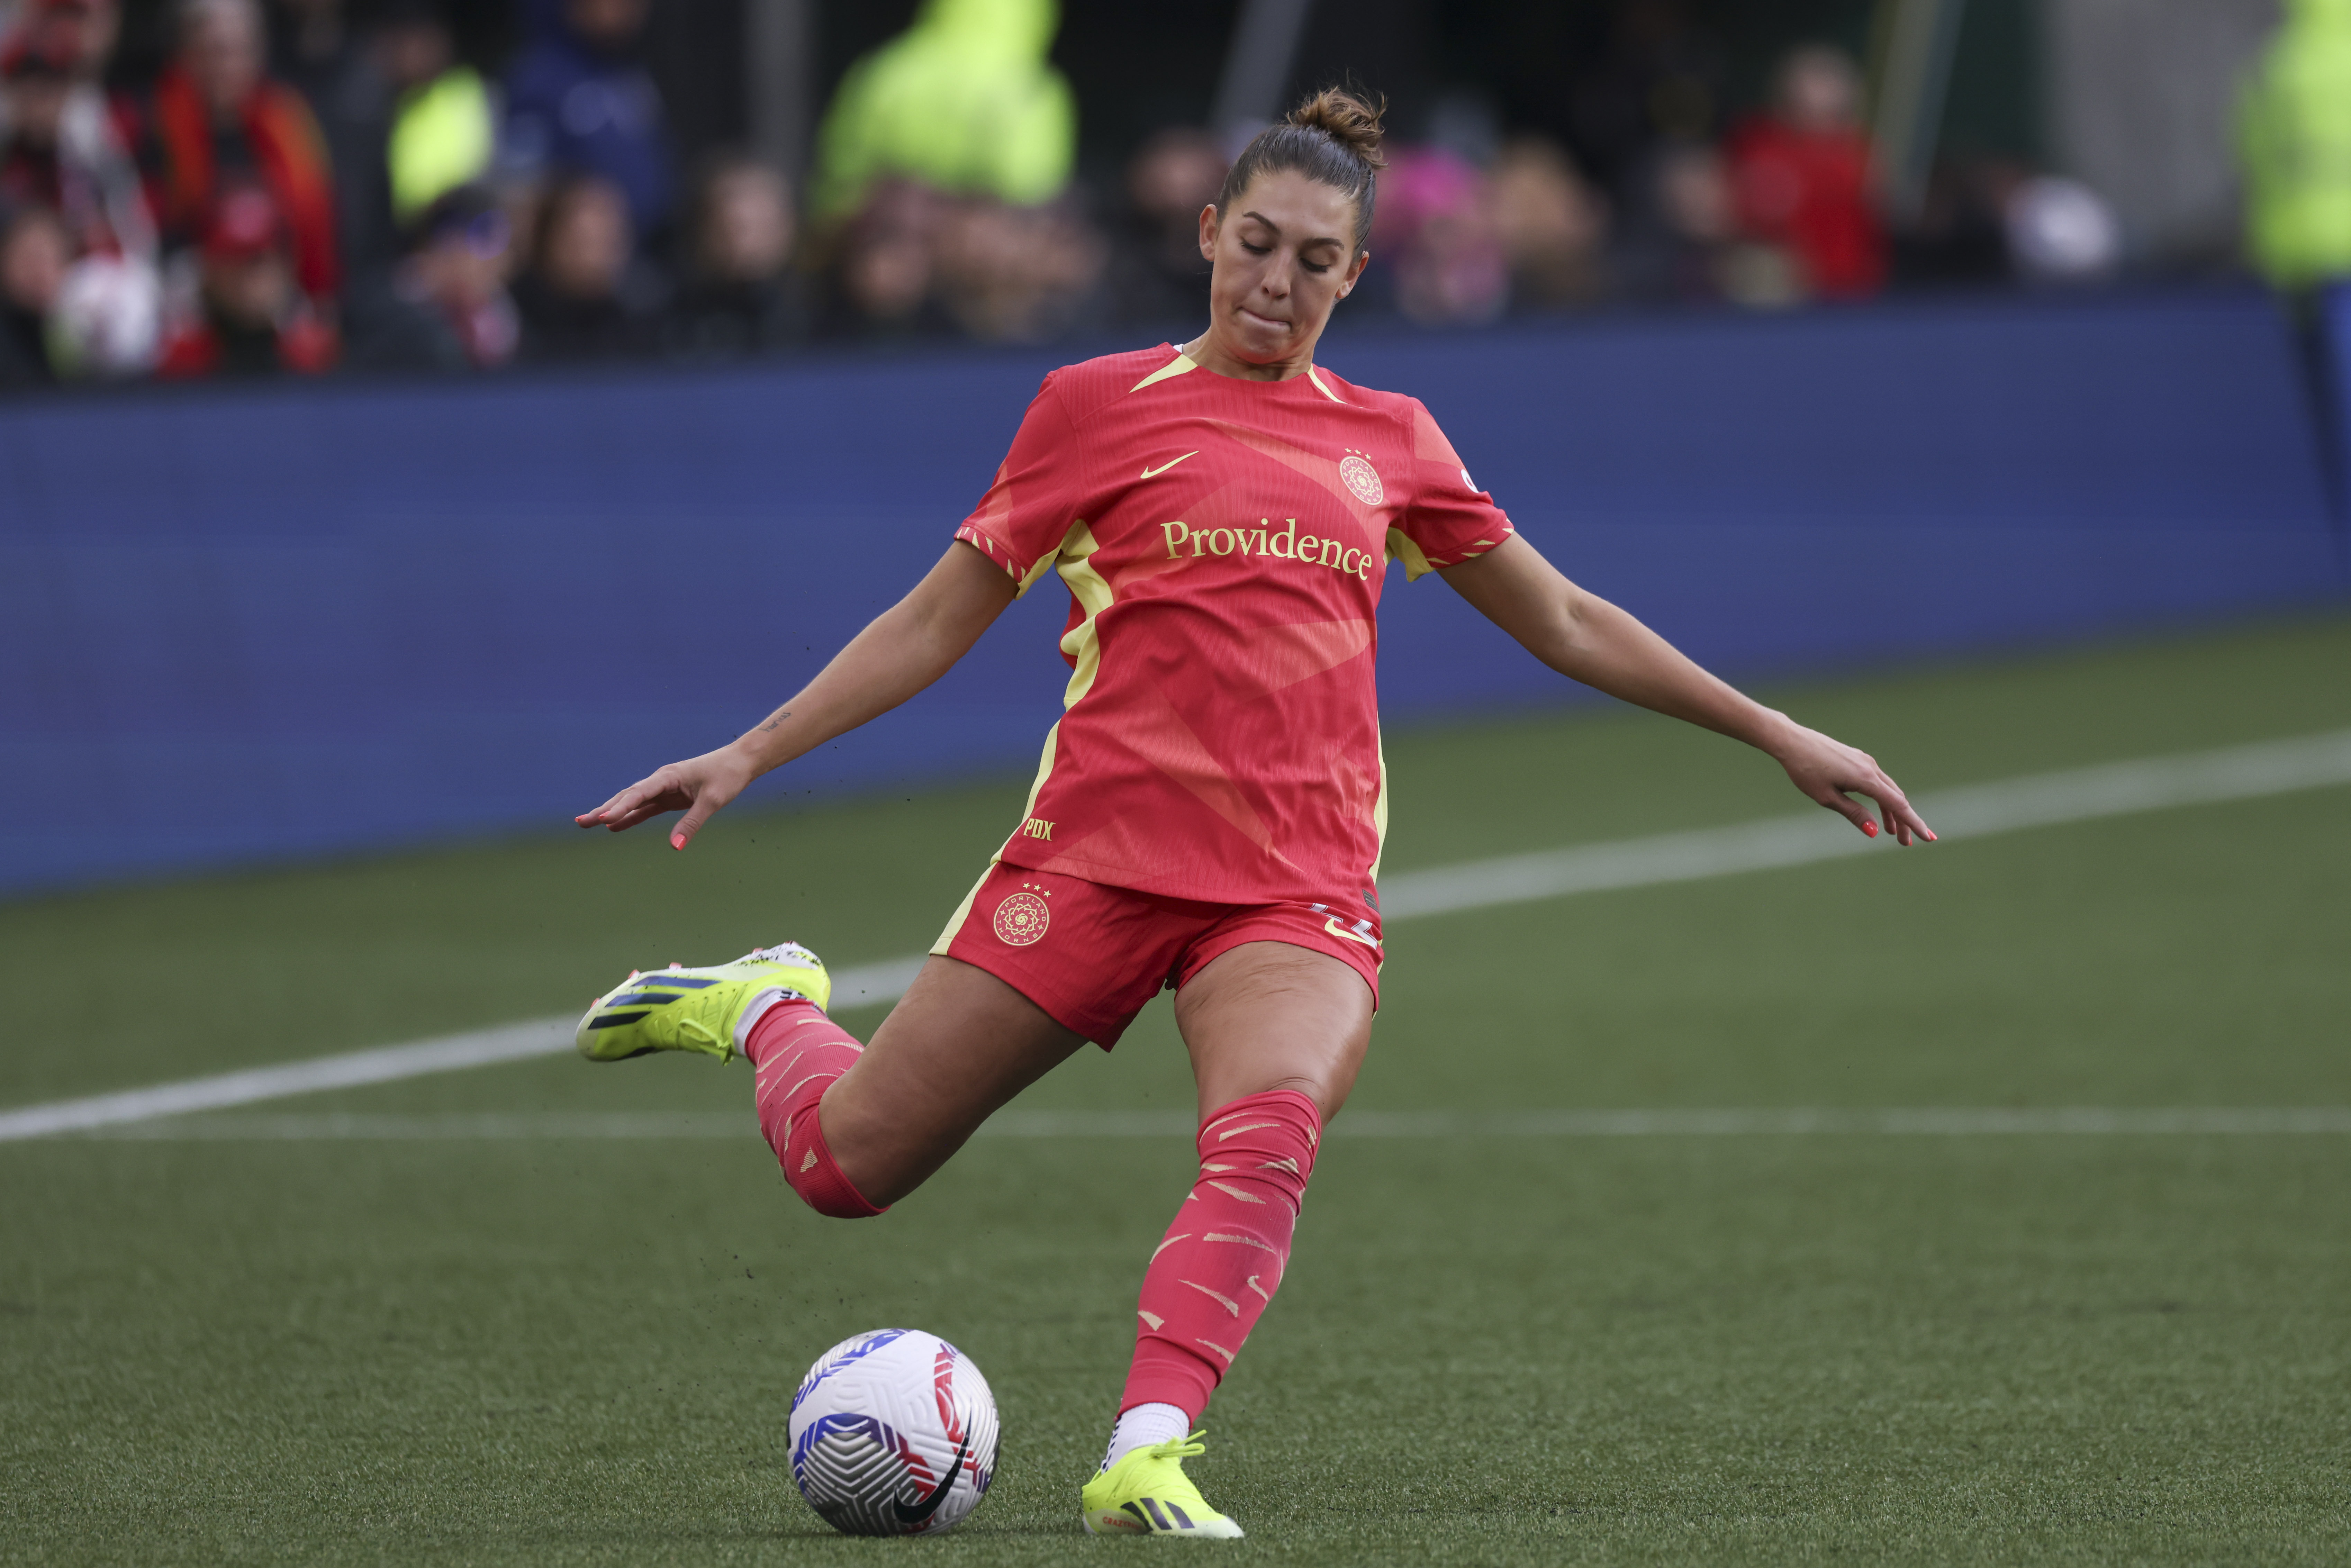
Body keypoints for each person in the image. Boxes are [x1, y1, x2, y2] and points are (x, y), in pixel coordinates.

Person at [572, 88, 1932, 1538]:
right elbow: (935, 618)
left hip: (1294, 888)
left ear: (1357, 274)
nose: (1278, 284)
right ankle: (772, 1006)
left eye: (1316, 260)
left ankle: (1148, 1443)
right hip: (1094, 861)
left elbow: (1571, 619)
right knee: (847, 1168)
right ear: (1209, 233)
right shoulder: (1093, 408)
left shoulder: (1394, 440)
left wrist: (1775, 730)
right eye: (1258, 245)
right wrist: (751, 751)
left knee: (1269, 1127)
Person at [128, 0, 340, 307]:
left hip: (278, 299)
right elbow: (146, 229)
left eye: (239, 52)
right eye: (213, 52)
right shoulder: (154, 126)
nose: (226, 66)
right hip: (183, 300)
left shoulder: (287, 123)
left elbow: (313, 224)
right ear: (184, 55)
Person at [500, 0, 672, 242]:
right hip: (569, 257)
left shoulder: (631, 73)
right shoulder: (538, 77)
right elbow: (521, 187)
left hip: (646, 249)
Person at [1723, 44, 1883, 300]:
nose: (1822, 92)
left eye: (1829, 80)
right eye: (1815, 79)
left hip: (1855, 288)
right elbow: (1745, 212)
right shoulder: (1760, 144)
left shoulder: (1860, 149)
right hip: (1785, 297)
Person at [154, 177, 336, 374]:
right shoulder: (183, 356)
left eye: (257, 261)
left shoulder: (314, 354)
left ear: (284, 266)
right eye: (233, 259)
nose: (246, 281)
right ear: (210, 268)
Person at [665, 153, 805, 359]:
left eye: (761, 228)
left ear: (788, 229)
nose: (744, 246)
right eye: (730, 230)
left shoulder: (821, 323)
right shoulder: (673, 327)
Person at [510, 169, 659, 361]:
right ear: (547, 238)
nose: (595, 257)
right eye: (581, 242)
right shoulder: (510, 324)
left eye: (607, 241)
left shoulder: (641, 321)